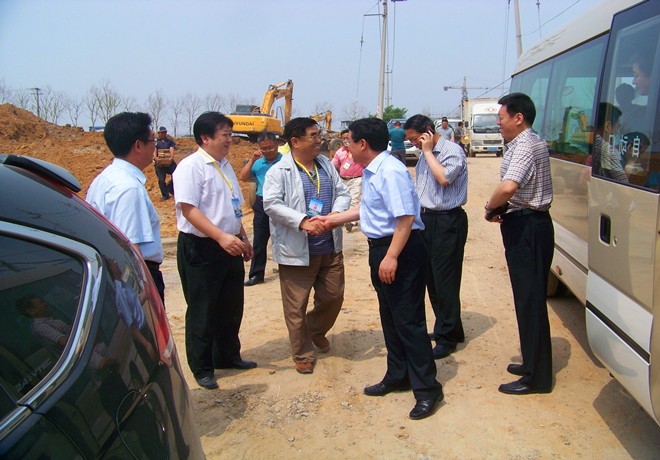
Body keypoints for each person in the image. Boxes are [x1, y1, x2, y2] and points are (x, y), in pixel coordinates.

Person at [313, 117, 443, 420]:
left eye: (349, 141)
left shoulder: (391, 171)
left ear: (362, 144)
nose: (345, 146)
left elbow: (406, 217)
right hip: (383, 248)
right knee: (391, 316)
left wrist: (392, 256)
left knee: (409, 321)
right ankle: (398, 374)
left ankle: (427, 388)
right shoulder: (374, 170)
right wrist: (333, 219)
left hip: (400, 249)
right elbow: (371, 208)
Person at [172, 112, 256, 390]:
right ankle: (202, 366)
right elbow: (189, 209)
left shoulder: (225, 165)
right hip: (203, 247)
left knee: (231, 306)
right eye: (225, 135)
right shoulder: (190, 167)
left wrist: (242, 236)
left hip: (229, 243)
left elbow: (232, 206)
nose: (230, 140)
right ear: (205, 137)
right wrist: (220, 237)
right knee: (203, 309)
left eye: (231, 134)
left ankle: (228, 356)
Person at [263, 117, 351, 374]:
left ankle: (313, 329)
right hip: (297, 250)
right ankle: (302, 351)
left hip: (329, 246)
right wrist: (302, 222)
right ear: (295, 141)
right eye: (313, 135)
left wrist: (334, 216)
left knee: (334, 297)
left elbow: (343, 193)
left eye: (318, 134)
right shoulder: (278, 171)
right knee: (295, 306)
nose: (319, 140)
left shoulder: (325, 164)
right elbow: (271, 204)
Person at [484, 92, 554, 395]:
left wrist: (490, 206)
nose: (498, 123)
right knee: (527, 299)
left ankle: (536, 378)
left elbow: (509, 186)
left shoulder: (525, 144)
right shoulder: (527, 142)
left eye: (501, 117)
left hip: (528, 227)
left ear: (518, 118)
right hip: (525, 223)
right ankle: (531, 363)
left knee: (531, 301)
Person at [404, 114, 468, 360]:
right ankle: (451, 326)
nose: (414, 145)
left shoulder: (450, 151)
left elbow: (443, 178)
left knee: (445, 280)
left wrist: (429, 152)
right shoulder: (424, 156)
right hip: (427, 220)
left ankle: (447, 337)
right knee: (432, 278)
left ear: (428, 132)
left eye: (415, 139)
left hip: (447, 221)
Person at [86, 112, 166, 304]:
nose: (155, 146)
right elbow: (129, 245)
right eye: (152, 140)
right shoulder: (128, 187)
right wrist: (145, 290)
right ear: (138, 145)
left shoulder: (105, 178)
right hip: (135, 278)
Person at [239, 131, 283, 286]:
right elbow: (243, 177)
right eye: (263, 148)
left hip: (281, 204)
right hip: (262, 203)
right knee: (259, 240)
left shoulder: (285, 162)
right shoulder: (257, 163)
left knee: (283, 239)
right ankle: (257, 274)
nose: (267, 151)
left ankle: (287, 271)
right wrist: (252, 160)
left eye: (270, 147)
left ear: (277, 145)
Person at [331, 129, 364, 231]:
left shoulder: (357, 151)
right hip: (343, 180)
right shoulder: (339, 152)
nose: (346, 140)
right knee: (343, 199)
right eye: (344, 138)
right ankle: (344, 218)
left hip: (356, 179)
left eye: (347, 138)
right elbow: (333, 165)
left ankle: (351, 222)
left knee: (354, 199)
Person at [592, 102, 627, 183]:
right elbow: (624, 185)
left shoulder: (585, 139)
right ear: (607, 126)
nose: (616, 132)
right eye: (617, 127)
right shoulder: (605, 148)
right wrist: (631, 162)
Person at [154, 126, 177, 201]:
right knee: (161, 180)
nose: (164, 134)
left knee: (176, 174)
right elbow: (154, 150)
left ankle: (171, 188)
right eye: (162, 133)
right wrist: (156, 158)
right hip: (159, 164)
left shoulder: (170, 141)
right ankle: (165, 195)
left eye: (165, 133)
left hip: (169, 163)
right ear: (159, 133)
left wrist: (171, 158)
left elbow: (171, 149)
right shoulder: (156, 142)